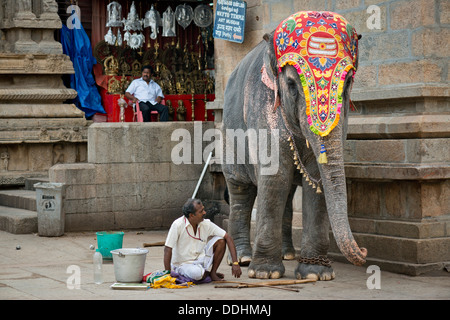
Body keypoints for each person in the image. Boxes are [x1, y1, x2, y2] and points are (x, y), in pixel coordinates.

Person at [164, 198, 242, 281]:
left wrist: (235, 263)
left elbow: (228, 237)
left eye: (203, 210)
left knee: (221, 241)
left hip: (201, 259)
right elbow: (167, 249)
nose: (204, 213)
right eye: (201, 211)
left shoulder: (205, 223)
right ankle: (205, 274)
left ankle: (212, 273)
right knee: (197, 274)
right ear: (191, 215)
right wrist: (168, 274)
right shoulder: (178, 224)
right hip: (183, 264)